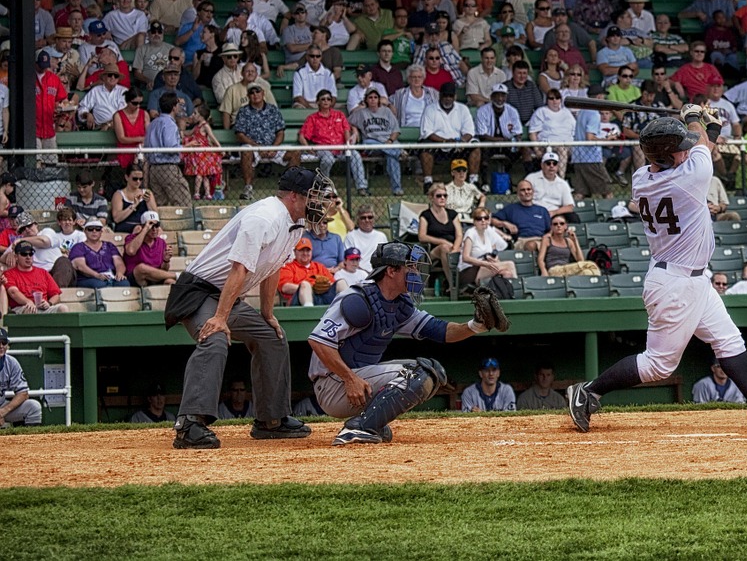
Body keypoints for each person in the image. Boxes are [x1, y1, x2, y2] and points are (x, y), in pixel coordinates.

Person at [567, 112, 747, 432]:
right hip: (675, 283)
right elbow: (702, 144)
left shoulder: (642, 178)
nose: (685, 150)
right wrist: (696, 116)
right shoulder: (688, 177)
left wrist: (707, 125)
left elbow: (702, 142)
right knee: (658, 365)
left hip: (690, 279)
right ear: (666, 156)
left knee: (729, 340)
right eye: (678, 148)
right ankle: (587, 393)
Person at [163, 166, 333, 449]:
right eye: (313, 197)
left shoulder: (295, 222)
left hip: (224, 295)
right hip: (197, 292)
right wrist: (220, 318)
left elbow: (273, 267)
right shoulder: (263, 217)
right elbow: (239, 269)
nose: (318, 204)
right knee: (214, 339)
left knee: (271, 336)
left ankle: (271, 421)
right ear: (293, 195)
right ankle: (189, 423)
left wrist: (267, 314)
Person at [307, 241, 503, 444]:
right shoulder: (357, 299)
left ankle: (367, 424)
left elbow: (441, 331)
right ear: (391, 270)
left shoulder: (399, 304)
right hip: (333, 384)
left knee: (431, 371)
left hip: (357, 380)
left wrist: (475, 326)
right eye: (410, 267)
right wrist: (349, 379)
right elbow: (318, 341)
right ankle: (358, 429)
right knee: (419, 374)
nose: (416, 272)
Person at [0, 327, 43, 426]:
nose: (1, 346)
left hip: (1, 407)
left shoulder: (11, 362)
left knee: (33, 407)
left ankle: (30, 441)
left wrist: (3, 411)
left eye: (4, 342)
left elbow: (23, 393)